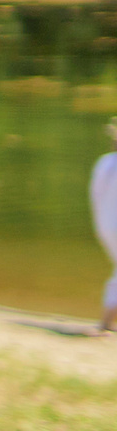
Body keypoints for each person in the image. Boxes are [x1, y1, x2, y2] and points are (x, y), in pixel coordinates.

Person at [92, 119, 117, 336]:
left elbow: (96, 196)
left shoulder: (105, 162)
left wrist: (100, 224)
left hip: (106, 226)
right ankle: (106, 322)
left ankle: (107, 321)